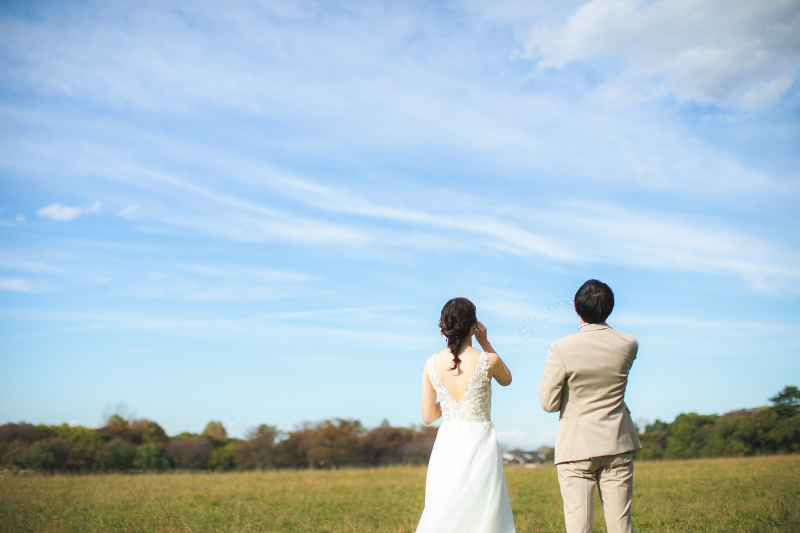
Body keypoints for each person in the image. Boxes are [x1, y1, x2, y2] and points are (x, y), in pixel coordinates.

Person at [539, 280, 641, 533]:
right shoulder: (628, 343)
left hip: (576, 446)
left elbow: (548, 403)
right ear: (610, 307)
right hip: (617, 438)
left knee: (579, 526)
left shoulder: (561, 347)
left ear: (576, 308)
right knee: (620, 524)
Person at [416, 297, 515, 533]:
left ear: (443, 328)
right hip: (480, 440)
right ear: (474, 325)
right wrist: (486, 342)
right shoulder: (488, 360)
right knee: (483, 506)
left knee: (445, 503)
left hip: (448, 441)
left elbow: (428, 416)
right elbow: (507, 379)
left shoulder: (431, 363)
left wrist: (450, 401)